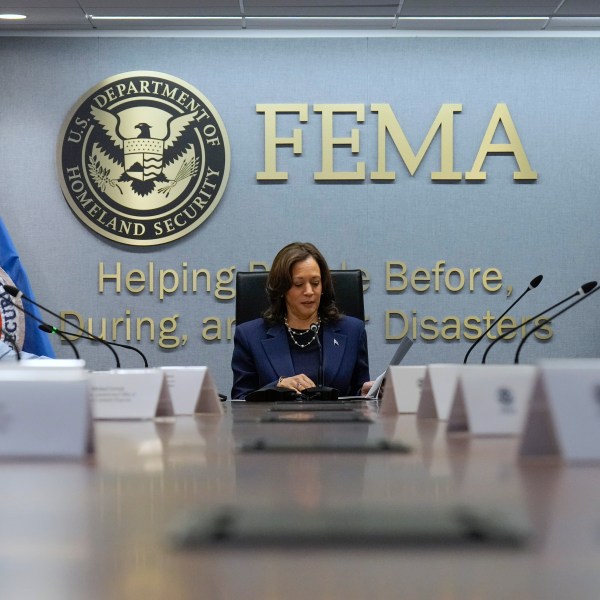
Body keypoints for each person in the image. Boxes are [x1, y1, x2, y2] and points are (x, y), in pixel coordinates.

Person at [231, 242, 371, 399]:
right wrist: (277, 387)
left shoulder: (352, 331)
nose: (309, 291)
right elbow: (240, 401)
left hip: (336, 422)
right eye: (298, 284)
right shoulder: (250, 336)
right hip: (275, 423)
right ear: (282, 289)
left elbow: (359, 394)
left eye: (315, 283)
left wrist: (368, 394)